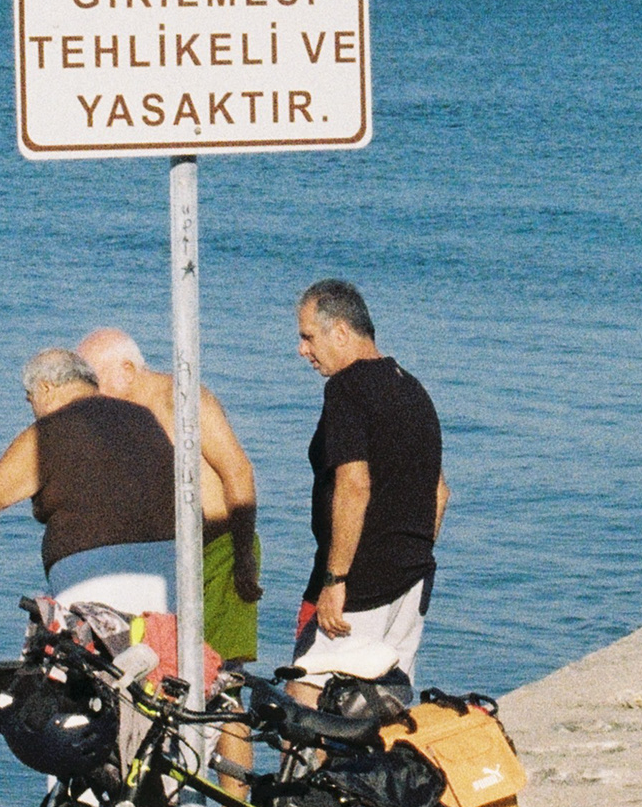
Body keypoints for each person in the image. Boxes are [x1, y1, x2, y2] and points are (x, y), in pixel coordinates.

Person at [0, 349, 235, 675]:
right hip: (170, 580)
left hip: (95, 588)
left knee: (77, 705)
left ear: (45, 388)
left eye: (29, 399)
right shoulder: (144, 419)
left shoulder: (48, 434)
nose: (32, 409)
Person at [75, 325, 263, 673]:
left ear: (127, 370)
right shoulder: (121, 419)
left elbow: (237, 470)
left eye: (94, 381)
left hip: (220, 549)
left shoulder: (180, 398)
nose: (89, 394)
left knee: (219, 673)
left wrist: (243, 555)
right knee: (165, 670)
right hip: (168, 561)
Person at [290, 278, 449, 683]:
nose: (302, 350)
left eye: (308, 337)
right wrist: (408, 555)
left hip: (358, 586)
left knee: (308, 693)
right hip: (411, 579)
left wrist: (335, 580)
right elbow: (438, 492)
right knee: (383, 699)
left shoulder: (346, 390)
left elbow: (354, 485)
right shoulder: (411, 388)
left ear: (341, 332)